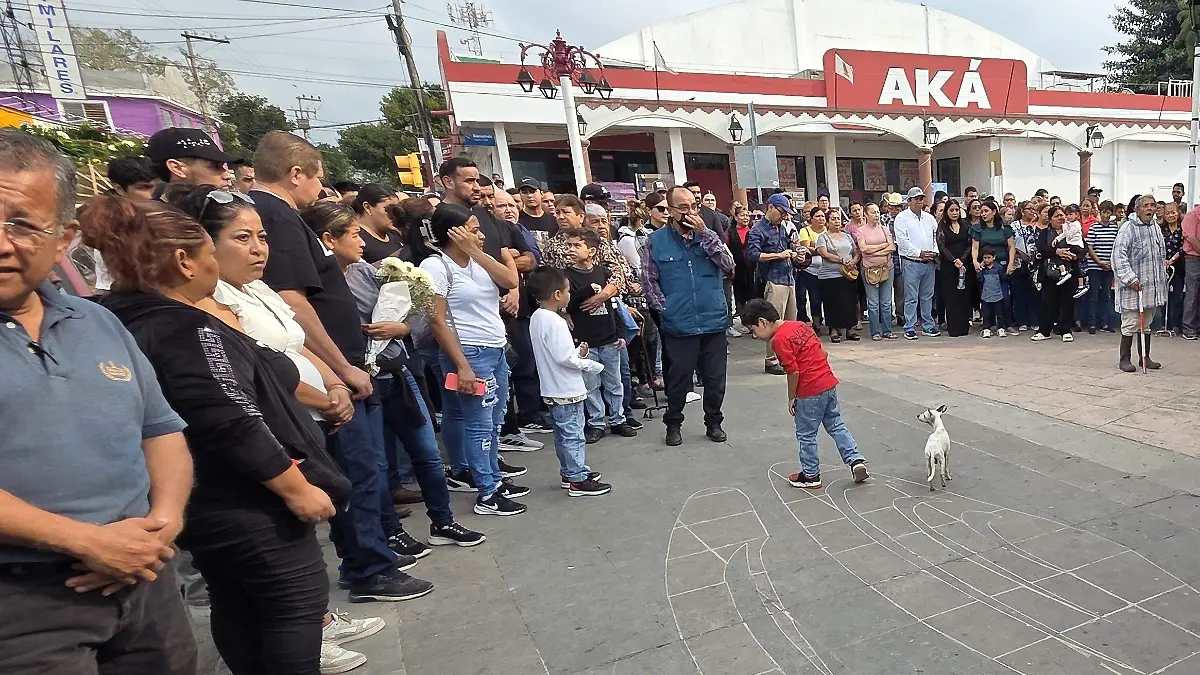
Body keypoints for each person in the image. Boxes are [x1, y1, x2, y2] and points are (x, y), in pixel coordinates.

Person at [0, 130, 197, 675]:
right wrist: (84, 540)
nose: (1, 242)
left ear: (63, 239)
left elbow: (160, 431)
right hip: (25, 602)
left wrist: (162, 526)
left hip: (145, 581)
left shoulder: (97, 320)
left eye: (21, 223)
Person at [250, 131, 427, 603]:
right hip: (331, 369)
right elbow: (293, 301)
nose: (319, 189)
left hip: (337, 364)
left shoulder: (279, 216)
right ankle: (369, 567)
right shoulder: (279, 216)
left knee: (362, 467)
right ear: (295, 175)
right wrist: (338, 369)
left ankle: (371, 555)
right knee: (357, 470)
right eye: (318, 178)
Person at [420, 203, 526, 515]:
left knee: (494, 422)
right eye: (474, 229)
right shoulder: (436, 267)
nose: (480, 235)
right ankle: (487, 493)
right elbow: (437, 321)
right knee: (479, 424)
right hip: (469, 353)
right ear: (454, 232)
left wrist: (476, 252)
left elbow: (509, 280)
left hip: (494, 350)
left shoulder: (478, 261)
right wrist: (462, 365)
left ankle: (493, 477)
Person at [740, 299, 869, 490]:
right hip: (828, 382)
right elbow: (823, 353)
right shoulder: (800, 325)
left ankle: (810, 475)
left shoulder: (779, 340)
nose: (755, 336)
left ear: (763, 322)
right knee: (836, 424)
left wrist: (792, 397)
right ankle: (855, 460)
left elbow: (793, 372)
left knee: (806, 434)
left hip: (809, 391)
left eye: (753, 330)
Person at [642, 186, 734, 446]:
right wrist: (664, 309)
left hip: (713, 320)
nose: (690, 212)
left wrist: (706, 234)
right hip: (678, 324)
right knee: (678, 378)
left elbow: (729, 265)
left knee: (715, 379)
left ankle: (714, 422)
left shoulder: (709, 237)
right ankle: (673, 423)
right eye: (683, 208)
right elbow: (649, 281)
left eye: (694, 206)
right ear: (669, 211)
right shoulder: (656, 241)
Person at [526, 267, 611, 496]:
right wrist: (591, 364)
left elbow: (558, 353)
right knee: (573, 433)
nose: (570, 295)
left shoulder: (537, 317)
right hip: (565, 387)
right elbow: (565, 358)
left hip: (552, 386)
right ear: (556, 294)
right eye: (567, 291)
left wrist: (577, 353)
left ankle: (570, 471)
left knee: (563, 433)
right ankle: (577, 478)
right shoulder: (555, 321)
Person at [561, 227, 638, 442]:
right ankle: (596, 422)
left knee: (614, 382)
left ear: (592, 251)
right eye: (569, 245)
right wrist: (589, 292)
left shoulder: (603, 273)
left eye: (577, 245)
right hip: (585, 339)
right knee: (590, 384)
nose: (571, 249)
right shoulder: (566, 276)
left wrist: (620, 331)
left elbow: (613, 304)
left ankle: (618, 419)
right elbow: (569, 302)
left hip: (608, 337)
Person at [747, 193, 804, 373]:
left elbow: (787, 249)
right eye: (782, 212)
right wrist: (779, 255)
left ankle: (788, 356)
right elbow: (753, 255)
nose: (785, 216)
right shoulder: (758, 229)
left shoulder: (781, 228)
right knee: (773, 323)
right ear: (770, 208)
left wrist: (796, 255)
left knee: (790, 322)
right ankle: (771, 360)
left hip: (788, 277)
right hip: (773, 280)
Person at [1114, 195, 1169, 371]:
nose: (1150, 209)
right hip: (1133, 287)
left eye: (1152, 205)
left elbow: (1160, 254)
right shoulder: (1127, 228)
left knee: (1147, 323)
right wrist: (1130, 279)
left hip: (1151, 287)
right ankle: (1124, 360)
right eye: (1146, 206)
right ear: (1137, 209)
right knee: (1131, 323)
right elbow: (1118, 257)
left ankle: (1144, 358)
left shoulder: (1156, 228)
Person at [894, 187, 940, 339]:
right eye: (917, 199)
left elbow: (936, 237)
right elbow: (902, 242)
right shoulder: (901, 218)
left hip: (929, 262)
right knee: (911, 296)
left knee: (927, 296)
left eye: (921, 198)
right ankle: (910, 326)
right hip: (911, 262)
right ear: (909, 201)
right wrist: (918, 253)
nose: (920, 201)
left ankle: (928, 325)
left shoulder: (929, 218)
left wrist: (933, 252)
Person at [1031, 206, 1079, 343]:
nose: (1060, 218)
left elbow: (1082, 246)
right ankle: (1044, 330)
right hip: (1049, 273)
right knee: (1047, 302)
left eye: (1062, 215)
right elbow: (1041, 248)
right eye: (1056, 216)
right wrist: (1056, 252)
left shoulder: (1072, 230)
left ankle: (1065, 330)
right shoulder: (1045, 233)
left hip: (1069, 271)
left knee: (1067, 302)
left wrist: (1074, 255)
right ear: (1050, 219)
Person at [814, 209, 860, 342]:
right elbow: (824, 253)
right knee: (832, 303)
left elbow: (856, 251)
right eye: (833, 219)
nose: (836, 221)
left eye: (838, 218)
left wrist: (853, 261)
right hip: (830, 276)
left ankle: (849, 330)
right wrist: (841, 260)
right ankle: (834, 330)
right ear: (827, 222)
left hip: (848, 274)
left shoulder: (847, 236)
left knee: (849, 301)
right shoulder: (823, 237)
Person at [146, 127, 240, 189]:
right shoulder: (158, 218)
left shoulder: (216, 214)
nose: (227, 175)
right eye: (214, 166)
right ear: (177, 168)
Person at [856, 203, 897, 340]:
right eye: (873, 212)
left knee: (886, 301)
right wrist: (882, 246)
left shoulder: (885, 229)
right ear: (866, 215)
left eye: (878, 212)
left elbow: (892, 247)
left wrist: (874, 250)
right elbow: (863, 249)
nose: (876, 215)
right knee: (873, 302)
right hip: (869, 269)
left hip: (887, 267)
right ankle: (875, 332)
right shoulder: (861, 231)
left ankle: (887, 330)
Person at [936, 200, 973, 337]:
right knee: (951, 296)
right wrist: (953, 260)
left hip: (964, 265)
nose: (954, 213)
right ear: (947, 212)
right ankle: (954, 328)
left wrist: (962, 260)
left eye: (956, 210)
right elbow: (941, 246)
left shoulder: (965, 224)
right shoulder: (942, 226)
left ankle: (964, 327)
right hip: (949, 266)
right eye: (951, 210)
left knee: (963, 295)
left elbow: (969, 244)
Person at [1084, 201, 1119, 334]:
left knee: (1106, 296)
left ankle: (1104, 323)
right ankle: (1092, 323)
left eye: (1108, 212)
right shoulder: (1094, 227)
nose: (1105, 215)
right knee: (1093, 295)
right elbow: (1090, 247)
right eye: (1103, 212)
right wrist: (1099, 262)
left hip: (1109, 267)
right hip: (1095, 267)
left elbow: (1116, 247)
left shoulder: (1114, 228)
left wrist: (1110, 263)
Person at [1156, 201, 1186, 333]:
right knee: (1164, 296)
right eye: (1167, 213)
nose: (1170, 215)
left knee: (1178, 296)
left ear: (1178, 213)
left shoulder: (1183, 228)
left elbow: (1183, 247)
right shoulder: (1160, 229)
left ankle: (1175, 324)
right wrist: (1163, 261)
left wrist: (1172, 260)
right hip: (1163, 266)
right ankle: (1164, 323)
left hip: (1179, 267)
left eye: (1173, 212)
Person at [353, 184, 402, 263]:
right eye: (389, 209)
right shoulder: (355, 237)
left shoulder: (394, 235)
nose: (395, 214)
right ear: (367, 207)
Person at [1050, 207, 1089, 299]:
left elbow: (1069, 235)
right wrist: (1056, 239)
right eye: (1067, 214)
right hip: (1071, 245)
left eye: (1070, 214)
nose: (1067, 217)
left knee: (1062, 254)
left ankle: (1064, 273)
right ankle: (1080, 285)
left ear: (1076, 215)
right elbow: (1063, 234)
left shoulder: (1075, 225)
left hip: (1075, 246)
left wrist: (1065, 226)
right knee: (1074, 265)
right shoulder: (1068, 225)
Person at [977, 247, 1009, 338]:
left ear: (994, 257)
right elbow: (979, 279)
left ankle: (1000, 328)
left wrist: (1007, 272)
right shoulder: (982, 268)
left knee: (999, 313)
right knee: (986, 314)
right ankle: (986, 329)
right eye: (985, 258)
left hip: (998, 294)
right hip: (986, 295)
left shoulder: (999, 267)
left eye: (988, 257)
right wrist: (980, 269)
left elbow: (1003, 278)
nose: (986, 260)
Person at [1180, 199, 1200, 339]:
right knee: (1192, 294)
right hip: (1193, 258)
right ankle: (1188, 328)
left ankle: (1197, 327)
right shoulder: (1191, 216)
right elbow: (1191, 239)